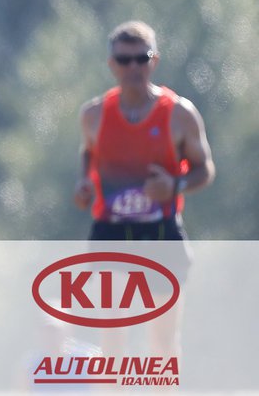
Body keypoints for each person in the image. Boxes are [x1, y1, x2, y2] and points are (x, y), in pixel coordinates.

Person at [73, 20, 215, 354]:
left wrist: (175, 185)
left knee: (162, 339)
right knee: (112, 337)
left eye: (141, 58)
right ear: (112, 65)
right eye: (125, 60)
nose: (133, 67)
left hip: (159, 230)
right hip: (111, 231)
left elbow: (205, 169)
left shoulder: (179, 114)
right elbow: (88, 152)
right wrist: (84, 183)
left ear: (155, 61)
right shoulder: (94, 115)